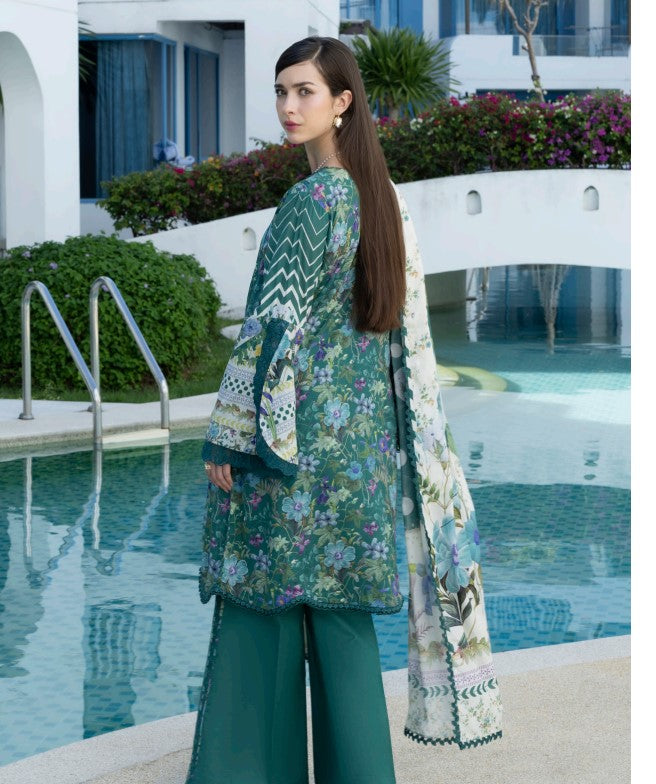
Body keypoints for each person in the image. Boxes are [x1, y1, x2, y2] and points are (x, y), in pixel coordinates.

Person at [185, 36, 502, 784]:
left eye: (305, 91)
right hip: (357, 462)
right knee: (342, 632)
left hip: (289, 455)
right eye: (282, 91)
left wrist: (229, 440)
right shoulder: (380, 200)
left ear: (343, 102)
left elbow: (271, 330)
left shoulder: (312, 200)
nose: (289, 106)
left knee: (259, 616)